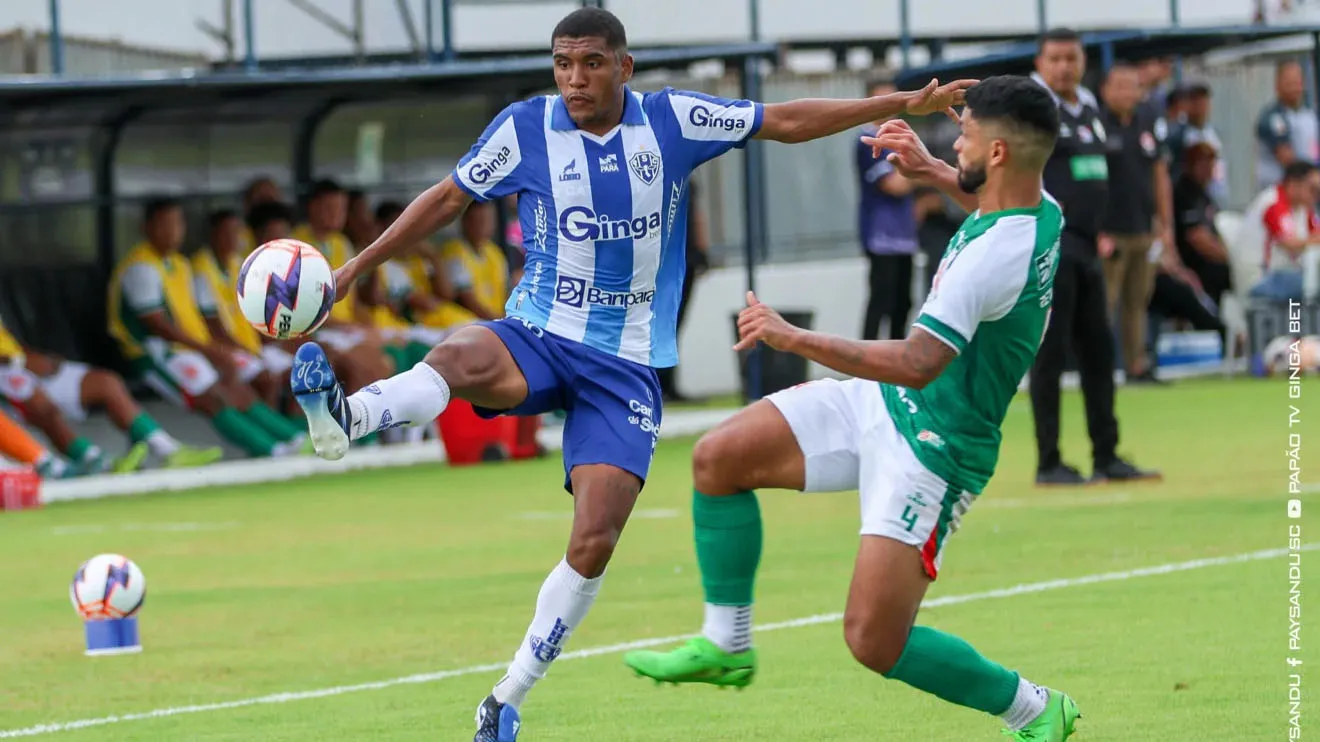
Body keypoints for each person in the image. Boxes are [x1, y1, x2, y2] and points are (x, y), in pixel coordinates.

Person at [284, 7, 973, 740]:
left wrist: (899, 103)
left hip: (625, 366)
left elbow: (784, 119)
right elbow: (448, 197)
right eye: (562, 64)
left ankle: (507, 697)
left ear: (624, 66)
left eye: (590, 63)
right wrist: (355, 268)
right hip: (539, 333)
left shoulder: (673, 121)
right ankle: (349, 418)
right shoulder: (524, 129)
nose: (574, 79)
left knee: (594, 539)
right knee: (460, 356)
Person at [623, 75, 1080, 741]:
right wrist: (932, 171)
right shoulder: (1041, 210)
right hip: (884, 402)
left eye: (965, 136)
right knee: (719, 458)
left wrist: (794, 338)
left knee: (873, 639)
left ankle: (1034, 710)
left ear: (999, 153)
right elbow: (988, 200)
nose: (955, 142)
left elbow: (918, 361)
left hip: (935, 450)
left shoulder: (992, 258)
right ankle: (726, 644)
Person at [1029, 28, 1158, 486]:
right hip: (1052, 243)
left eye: (1072, 58)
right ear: (1040, 63)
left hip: (1089, 244)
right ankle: (1049, 461)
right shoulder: (1032, 107)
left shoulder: (1089, 107)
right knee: (1051, 353)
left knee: (1099, 353)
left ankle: (1107, 454)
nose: (1065, 67)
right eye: (1055, 58)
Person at [106, 197, 311, 460]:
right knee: (214, 398)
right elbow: (157, 326)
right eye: (164, 224)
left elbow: (195, 319)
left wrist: (215, 350)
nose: (172, 231)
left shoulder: (179, 263)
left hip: (187, 349)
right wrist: (211, 351)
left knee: (240, 391)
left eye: (177, 224)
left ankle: (293, 438)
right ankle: (271, 450)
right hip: (154, 354)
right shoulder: (141, 266)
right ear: (146, 228)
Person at [0, 313, 222, 473]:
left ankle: (166, 449)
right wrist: (20, 362)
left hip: (19, 362)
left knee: (107, 383)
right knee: (32, 396)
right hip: (7, 369)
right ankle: (94, 462)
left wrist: (32, 358)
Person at [1098, 63, 1174, 384]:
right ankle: (1099, 367)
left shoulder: (1148, 122)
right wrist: (1095, 228)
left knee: (1137, 301)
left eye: (1133, 86)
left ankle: (1136, 365)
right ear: (1105, 90)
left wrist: (1165, 224)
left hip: (1143, 228)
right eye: (1121, 86)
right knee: (1104, 301)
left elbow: (1159, 175)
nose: (1128, 93)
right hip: (1109, 231)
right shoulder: (1097, 125)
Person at [857, 75, 920, 341]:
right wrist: (923, 170)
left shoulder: (902, 138)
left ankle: (897, 356)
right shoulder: (867, 140)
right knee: (880, 300)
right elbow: (895, 185)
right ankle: (865, 357)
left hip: (905, 234)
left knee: (903, 303)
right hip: (880, 236)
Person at [1243, 160, 1320, 302]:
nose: (1317, 196)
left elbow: (1315, 235)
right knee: (1311, 285)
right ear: (1294, 184)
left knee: (1311, 282)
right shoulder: (1273, 202)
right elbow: (1289, 244)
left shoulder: (1303, 207)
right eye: (1313, 189)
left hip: (1287, 274)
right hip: (1262, 278)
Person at [1173, 142, 1234, 309]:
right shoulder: (1185, 192)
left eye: (1211, 164)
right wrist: (1231, 258)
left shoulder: (1204, 193)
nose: (1208, 169)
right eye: (1203, 164)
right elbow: (1197, 238)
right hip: (1192, 263)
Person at [1255, 60, 1319, 190]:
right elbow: (1287, 159)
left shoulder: (1310, 115)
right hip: (1280, 190)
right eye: (1289, 83)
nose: (1294, 88)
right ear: (1277, 85)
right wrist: (1313, 178)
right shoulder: (1273, 117)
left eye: (1297, 82)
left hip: (1308, 191)